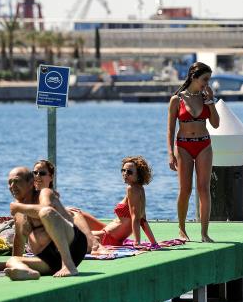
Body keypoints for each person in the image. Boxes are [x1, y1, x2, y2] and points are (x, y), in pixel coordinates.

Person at [167, 62, 220, 242]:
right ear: (194, 77)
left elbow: (215, 124)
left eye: (209, 80)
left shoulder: (205, 97)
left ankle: (204, 233)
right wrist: (170, 153)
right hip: (183, 146)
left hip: (204, 144)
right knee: (185, 190)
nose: (207, 83)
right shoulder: (177, 99)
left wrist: (211, 101)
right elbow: (170, 129)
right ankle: (182, 229)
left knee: (204, 189)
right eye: (205, 79)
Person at [4, 167, 87, 280]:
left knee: (45, 212)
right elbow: (19, 241)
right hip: (48, 260)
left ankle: (68, 266)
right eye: (10, 182)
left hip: (73, 246)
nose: (12, 186)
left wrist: (18, 206)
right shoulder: (18, 213)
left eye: (17, 181)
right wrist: (16, 264)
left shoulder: (44, 193)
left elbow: (46, 209)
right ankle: (28, 272)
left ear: (31, 182)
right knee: (12, 260)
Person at [71, 156, 159, 248]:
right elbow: (143, 220)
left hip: (108, 237)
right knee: (77, 213)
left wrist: (137, 243)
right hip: (108, 232)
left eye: (129, 172)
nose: (125, 174)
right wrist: (154, 243)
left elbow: (136, 218)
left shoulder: (132, 189)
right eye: (123, 170)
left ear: (138, 175)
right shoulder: (140, 189)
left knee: (72, 236)